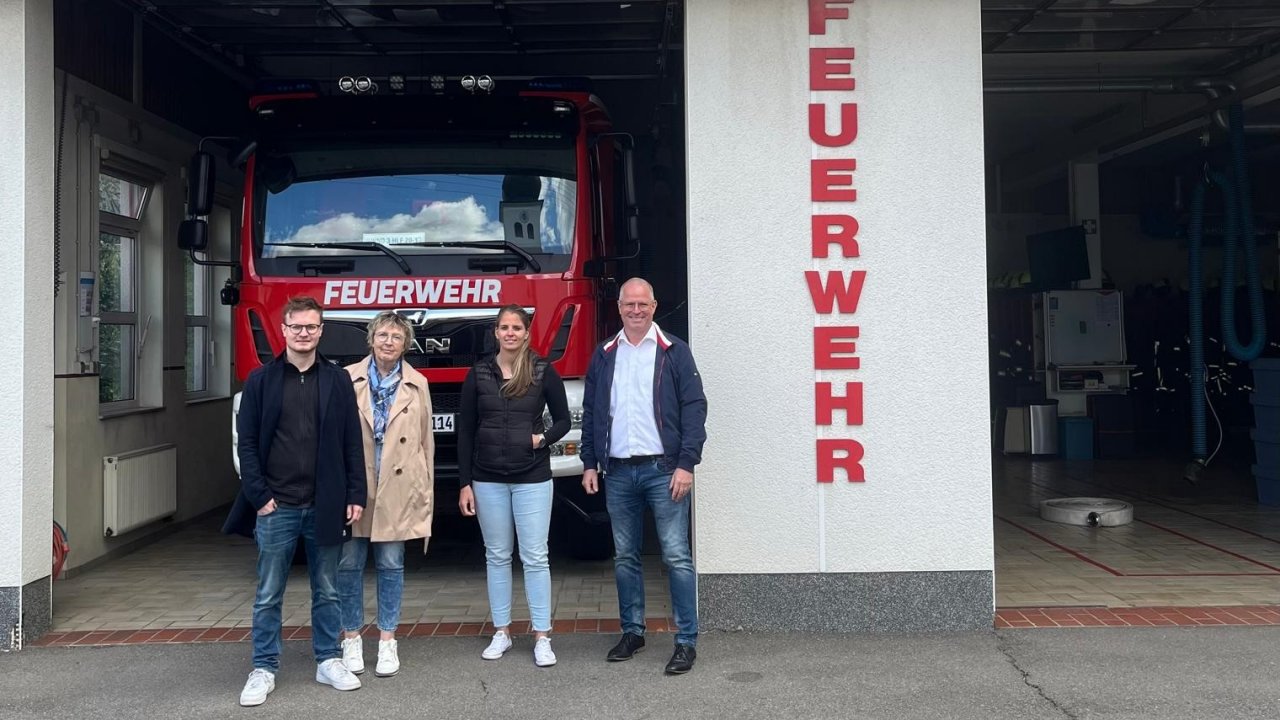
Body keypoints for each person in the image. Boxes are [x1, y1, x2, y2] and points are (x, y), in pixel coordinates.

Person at [224, 296, 367, 707]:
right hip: (277, 506)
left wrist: (354, 493)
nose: (304, 333)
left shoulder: (338, 381)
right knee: (269, 592)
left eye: (311, 326)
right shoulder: (260, 381)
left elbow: (350, 442)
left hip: (326, 503)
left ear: (321, 331)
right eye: (296, 327)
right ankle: (264, 668)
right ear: (283, 331)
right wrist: (260, 496)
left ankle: (328, 660)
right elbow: (247, 444)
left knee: (328, 590)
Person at [581, 278, 708, 675]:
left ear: (655, 306)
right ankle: (632, 632)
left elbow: (695, 407)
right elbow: (591, 411)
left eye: (643, 304)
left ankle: (686, 641)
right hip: (617, 471)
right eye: (629, 304)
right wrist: (589, 461)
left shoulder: (674, 352)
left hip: (664, 470)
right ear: (619, 308)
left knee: (676, 556)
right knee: (625, 558)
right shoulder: (604, 354)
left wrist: (687, 463)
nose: (636, 310)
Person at [457, 304, 571, 667]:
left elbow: (565, 420)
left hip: (532, 478)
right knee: (497, 556)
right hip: (487, 478)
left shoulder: (542, 370)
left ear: (526, 333)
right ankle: (502, 631)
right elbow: (466, 431)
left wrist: (542, 440)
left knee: (535, 557)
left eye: (516, 328)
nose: (510, 333)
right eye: (504, 327)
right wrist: (464, 483)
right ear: (496, 332)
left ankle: (541, 635)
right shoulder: (478, 373)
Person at [338, 311, 435, 679]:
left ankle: (387, 639)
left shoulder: (418, 383)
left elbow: (426, 444)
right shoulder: (347, 378)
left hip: (398, 488)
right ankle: (351, 637)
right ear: (371, 339)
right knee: (348, 565)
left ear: (406, 343)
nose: (389, 341)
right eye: (382, 334)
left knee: (392, 565)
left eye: (396, 335)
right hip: (357, 488)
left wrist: (424, 491)